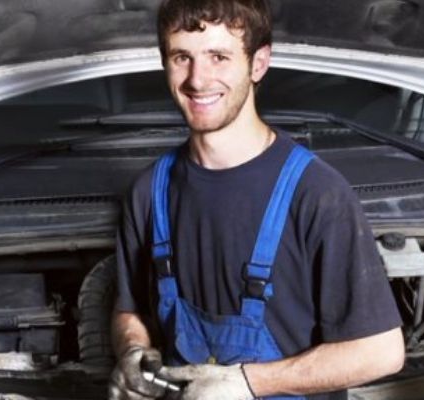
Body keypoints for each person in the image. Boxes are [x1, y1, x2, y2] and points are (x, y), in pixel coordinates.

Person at [109, 0, 404, 398]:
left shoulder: (317, 194)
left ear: (259, 63)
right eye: (182, 57)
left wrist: (247, 382)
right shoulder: (149, 192)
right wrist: (132, 352)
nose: (198, 79)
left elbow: (381, 352)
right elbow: (130, 310)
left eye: (219, 56)